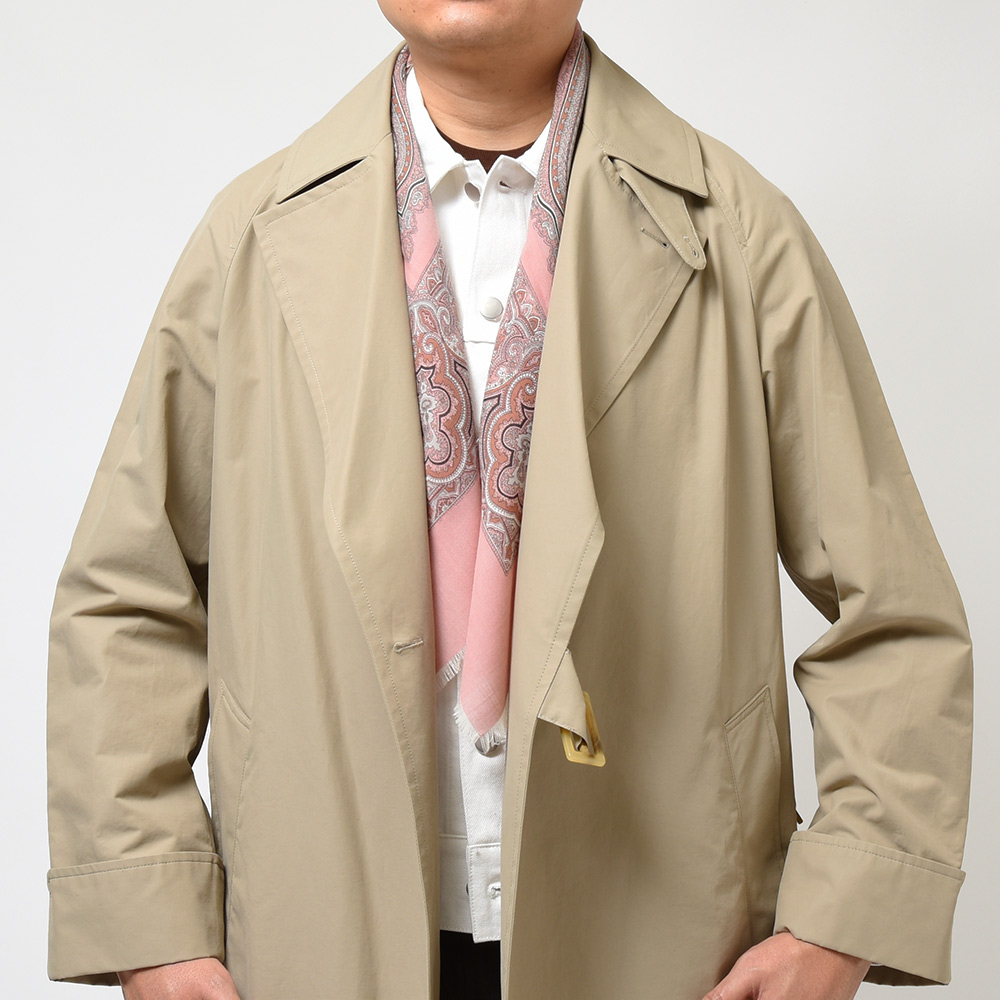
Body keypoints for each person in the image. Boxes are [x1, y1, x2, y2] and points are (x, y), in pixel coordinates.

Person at [45, 2, 973, 999]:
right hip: (316, 931)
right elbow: (125, 603)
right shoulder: (252, 237)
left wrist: (840, 921)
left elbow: (897, 614)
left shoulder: (740, 233)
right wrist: (152, 923)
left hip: (663, 933)